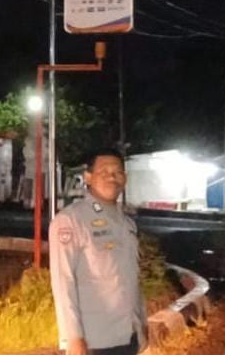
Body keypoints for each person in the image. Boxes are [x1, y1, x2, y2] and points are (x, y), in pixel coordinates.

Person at [49, 148, 148, 355]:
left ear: (125, 178)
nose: (112, 177)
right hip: (94, 341)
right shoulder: (70, 220)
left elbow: (131, 277)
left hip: (128, 335)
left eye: (117, 172)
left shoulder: (127, 223)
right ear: (88, 177)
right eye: (104, 172)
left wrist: (141, 323)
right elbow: (63, 282)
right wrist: (73, 337)